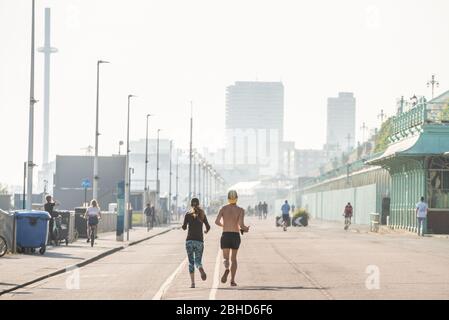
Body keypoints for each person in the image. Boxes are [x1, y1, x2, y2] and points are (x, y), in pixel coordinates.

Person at [215, 190, 249, 287]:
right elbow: (241, 225)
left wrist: (224, 225)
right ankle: (232, 280)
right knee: (234, 259)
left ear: (228, 198)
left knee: (226, 258)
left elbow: (216, 221)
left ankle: (226, 268)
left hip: (225, 235)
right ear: (237, 198)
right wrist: (246, 229)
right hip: (235, 236)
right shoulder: (241, 210)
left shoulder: (223, 208)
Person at [182, 198, 210, 288]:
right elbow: (208, 227)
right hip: (199, 241)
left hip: (189, 241)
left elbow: (184, 227)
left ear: (191, 205)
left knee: (191, 262)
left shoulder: (188, 214)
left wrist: (185, 225)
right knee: (197, 261)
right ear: (198, 204)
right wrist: (205, 231)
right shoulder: (202, 214)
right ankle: (200, 268)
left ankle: (193, 283)